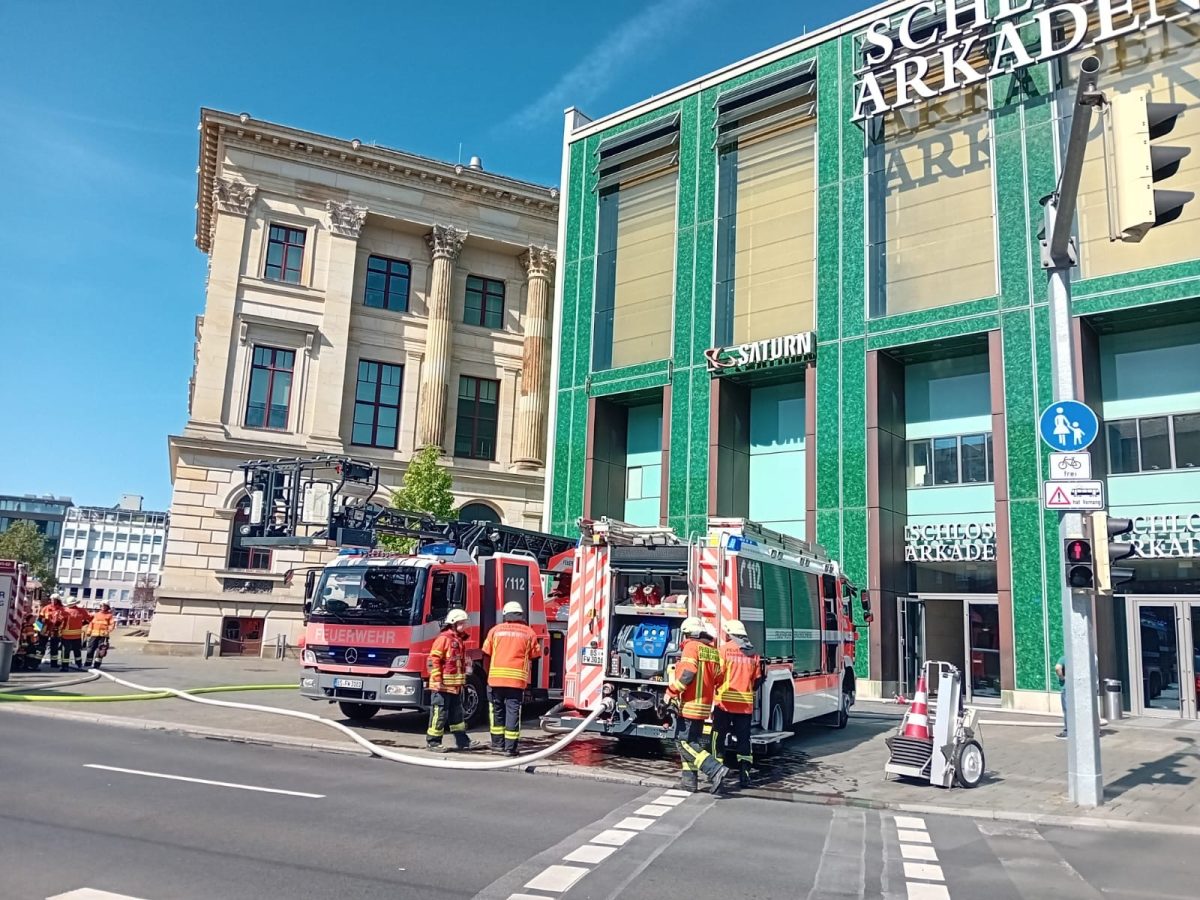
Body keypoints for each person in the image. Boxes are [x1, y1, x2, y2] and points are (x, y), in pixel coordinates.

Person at [664, 617, 729, 794]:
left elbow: (688, 673)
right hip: (704, 706)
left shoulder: (691, 647)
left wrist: (671, 692)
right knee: (692, 742)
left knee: (683, 742)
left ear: (688, 633)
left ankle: (715, 769)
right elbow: (719, 678)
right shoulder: (712, 651)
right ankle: (689, 782)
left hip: (690, 704)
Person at [482, 601, 543, 756]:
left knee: (496, 711)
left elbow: (486, 653)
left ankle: (497, 744)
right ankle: (510, 748)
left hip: (495, 680)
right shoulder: (528, 633)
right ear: (520, 615)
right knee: (513, 712)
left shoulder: (495, 631)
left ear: (505, 615)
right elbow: (536, 654)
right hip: (516, 682)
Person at [714, 619, 761, 788]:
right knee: (744, 740)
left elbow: (717, 675)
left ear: (730, 633)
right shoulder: (753, 653)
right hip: (745, 706)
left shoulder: (724, 650)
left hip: (725, 703)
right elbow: (756, 681)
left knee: (718, 738)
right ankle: (745, 774)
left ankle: (716, 772)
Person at [426, 608, 474, 752]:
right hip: (442, 686)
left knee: (457, 716)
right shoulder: (444, 639)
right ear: (453, 623)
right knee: (439, 714)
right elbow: (433, 660)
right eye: (462, 623)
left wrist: (467, 668)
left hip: (455, 686)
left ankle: (462, 741)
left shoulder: (458, 640)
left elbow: (456, 662)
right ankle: (433, 742)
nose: (464, 626)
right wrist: (437, 679)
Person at [59, 598, 93, 671]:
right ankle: (79, 665)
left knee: (65, 652)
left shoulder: (64, 611)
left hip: (66, 636)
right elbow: (90, 618)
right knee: (77, 651)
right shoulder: (82, 611)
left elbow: (59, 621)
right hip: (77, 636)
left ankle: (65, 667)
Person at [38, 594, 66, 669]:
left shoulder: (61, 609)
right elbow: (39, 619)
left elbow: (63, 620)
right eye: (52, 599)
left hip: (55, 631)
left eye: (55, 600)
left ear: (58, 600)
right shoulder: (45, 608)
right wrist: (36, 630)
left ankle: (54, 663)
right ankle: (37, 662)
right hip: (45, 630)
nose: (53, 601)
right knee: (41, 646)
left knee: (54, 647)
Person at [84, 603, 116, 669]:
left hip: (103, 636)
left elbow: (112, 625)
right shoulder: (96, 615)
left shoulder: (109, 616)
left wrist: (107, 631)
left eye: (105, 606)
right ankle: (87, 664)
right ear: (100, 606)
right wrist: (89, 632)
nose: (103, 607)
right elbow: (91, 624)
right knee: (90, 649)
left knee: (100, 651)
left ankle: (97, 665)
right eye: (102, 606)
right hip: (94, 635)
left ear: (107, 607)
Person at [1056, 655, 1068, 739]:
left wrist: (1062, 678)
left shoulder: (1064, 658)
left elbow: (1057, 668)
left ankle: (1067, 731)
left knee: (1067, 710)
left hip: (1066, 688)